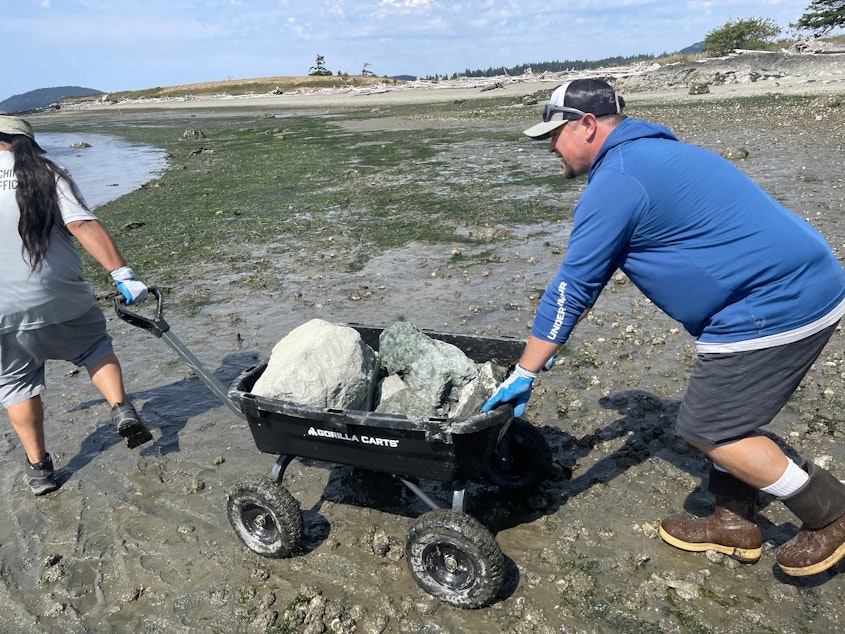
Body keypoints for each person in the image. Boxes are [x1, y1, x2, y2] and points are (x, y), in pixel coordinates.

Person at [483, 79, 845, 577]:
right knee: (727, 413)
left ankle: (830, 512)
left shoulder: (618, 183)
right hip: (802, 283)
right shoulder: (658, 154)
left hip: (773, 305)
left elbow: (573, 289)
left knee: (707, 427)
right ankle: (733, 522)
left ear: (587, 125)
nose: (549, 145)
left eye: (554, 133)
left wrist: (525, 372)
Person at [0, 115, 154, 496]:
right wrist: (122, 274)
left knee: (16, 384)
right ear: (27, 144)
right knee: (94, 347)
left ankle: (40, 471)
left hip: (3, 310)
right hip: (61, 296)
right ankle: (120, 408)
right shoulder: (48, 173)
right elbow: (83, 225)